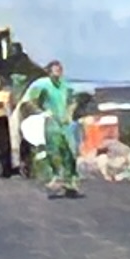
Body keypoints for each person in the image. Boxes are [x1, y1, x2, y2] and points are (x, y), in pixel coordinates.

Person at [21, 63, 82, 198]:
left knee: (70, 151)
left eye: (60, 70)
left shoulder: (66, 85)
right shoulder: (42, 84)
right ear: (48, 72)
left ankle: (71, 181)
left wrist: (71, 111)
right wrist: (42, 112)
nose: (58, 72)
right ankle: (56, 177)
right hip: (51, 121)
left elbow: (74, 99)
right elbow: (29, 101)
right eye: (55, 70)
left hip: (66, 122)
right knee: (53, 150)